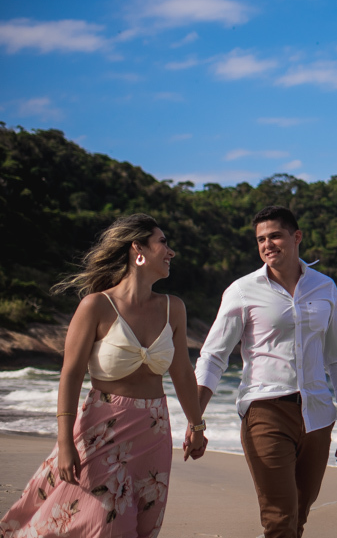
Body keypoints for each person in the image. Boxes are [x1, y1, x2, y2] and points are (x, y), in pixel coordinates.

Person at [0, 214, 207, 538]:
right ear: (138, 249)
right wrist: (65, 441)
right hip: (102, 428)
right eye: (163, 242)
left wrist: (196, 427)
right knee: (103, 523)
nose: (171, 252)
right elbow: (70, 375)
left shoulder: (173, 308)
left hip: (154, 432)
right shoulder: (96, 306)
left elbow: (181, 372)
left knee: (141, 524)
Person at [194, 205, 337, 538]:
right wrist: (195, 419)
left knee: (298, 514)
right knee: (279, 517)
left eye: (275, 236)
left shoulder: (324, 287)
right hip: (265, 411)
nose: (268, 245)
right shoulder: (242, 290)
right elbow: (213, 356)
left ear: (296, 237)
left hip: (317, 415)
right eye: (261, 239)